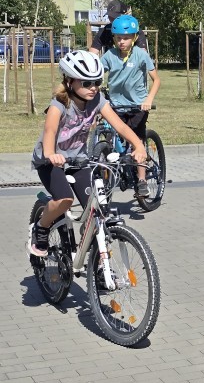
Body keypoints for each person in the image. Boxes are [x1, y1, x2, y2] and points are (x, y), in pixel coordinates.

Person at [28, 51, 147, 257]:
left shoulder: (98, 100)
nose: (93, 88)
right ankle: (41, 227)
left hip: (78, 160)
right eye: (86, 83)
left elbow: (119, 125)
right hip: (51, 161)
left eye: (97, 82)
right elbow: (50, 131)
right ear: (70, 81)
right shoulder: (59, 104)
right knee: (65, 199)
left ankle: (97, 262)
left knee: (97, 210)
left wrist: (138, 145)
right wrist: (50, 153)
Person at [100, 14, 161, 198]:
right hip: (116, 106)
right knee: (111, 136)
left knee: (137, 140)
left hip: (137, 106)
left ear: (134, 38)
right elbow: (97, 73)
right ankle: (108, 175)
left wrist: (148, 99)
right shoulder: (110, 55)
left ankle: (142, 180)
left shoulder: (141, 55)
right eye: (118, 38)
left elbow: (156, 80)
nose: (122, 42)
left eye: (126, 38)